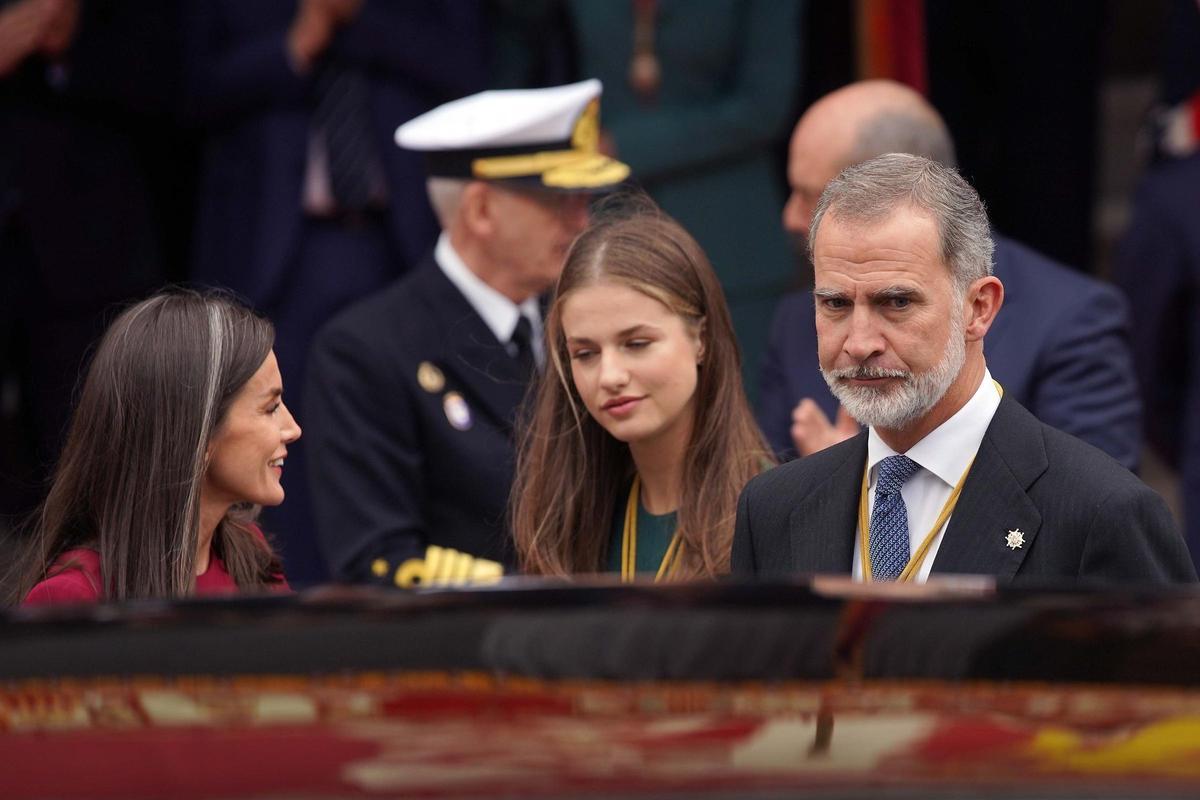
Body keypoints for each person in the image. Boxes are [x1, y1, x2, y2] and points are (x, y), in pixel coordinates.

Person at [733, 153, 1195, 585]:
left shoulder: (1101, 513)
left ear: (979, 308)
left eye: (896, 302)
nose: (859, 344)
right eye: (835, 304)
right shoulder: (772, 510)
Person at [183, 0, 488, 585]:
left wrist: (357, 20)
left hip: (399, 241)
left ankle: (402, 609)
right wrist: (301, 37)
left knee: (411, 438)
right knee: (272, 444)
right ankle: (280, 604)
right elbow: (180, 85)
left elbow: (469, 67)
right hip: (276, 254)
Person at [306, 80, 632, 586]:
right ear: (480, 211)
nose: (582, 221)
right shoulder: (367, 350)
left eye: (585, 199)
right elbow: (380, 561)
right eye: (559, 200)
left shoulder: (586, 323)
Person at [759, 80, 1141, 469]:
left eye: (812, 196)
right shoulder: (796, 318)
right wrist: (823, 501)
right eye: (837, 303)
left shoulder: (1071, 320)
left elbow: (1089, 509)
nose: (790, 217)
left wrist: (857, 481)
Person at [512, 201, 773, 580]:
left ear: (700, 338)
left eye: (636, 344)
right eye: (585, 353)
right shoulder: (569, 516)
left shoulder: (771, 511)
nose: (609, 376)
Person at [11, 290, 298, 605]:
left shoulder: (247, 557)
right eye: (270, 407)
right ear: (198, 433)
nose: (293, 429)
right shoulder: (73, 598)